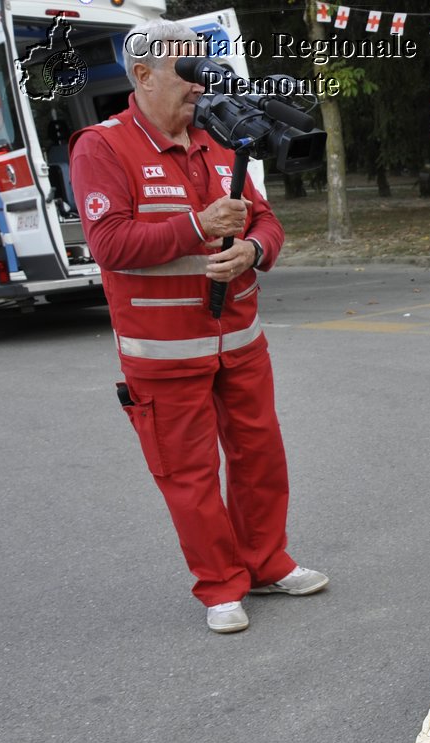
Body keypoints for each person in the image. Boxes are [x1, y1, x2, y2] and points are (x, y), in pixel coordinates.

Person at [70, 20, 326, 635]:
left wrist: (254, 253)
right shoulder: (101, 147)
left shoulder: (220, 135)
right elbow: (109, 244)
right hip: (162, 354)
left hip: (239, 342)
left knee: (260, 458)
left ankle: (266, 563)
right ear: (143, 75)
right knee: (189, 477)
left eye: (204, 68)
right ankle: (220, 585)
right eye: (187, 71)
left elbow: (266, 222)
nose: (198, 84)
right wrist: (200, 226)